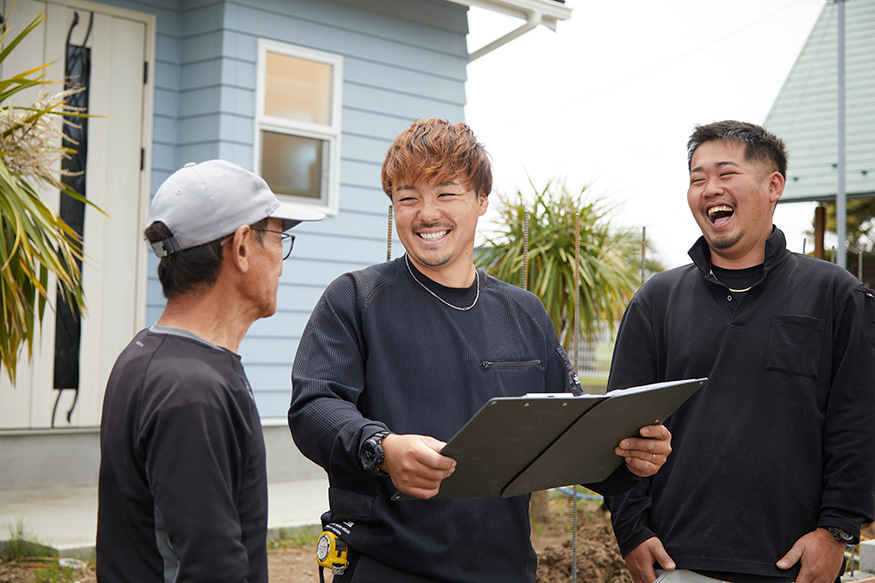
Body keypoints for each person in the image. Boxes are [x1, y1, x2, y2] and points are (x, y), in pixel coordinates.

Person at [287, 118, 673, 583]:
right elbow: (314, 406)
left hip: (505, 569)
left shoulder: (524, 312)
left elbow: (568, 436)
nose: (427, 213)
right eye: (408, 198)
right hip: (388, 567)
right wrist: (381, 447)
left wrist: (629, 457)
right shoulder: (356, 298)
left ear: (481, 199)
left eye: (446, 193)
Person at [604, 120, 875, 583]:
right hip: (676, 560)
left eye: (725, 174)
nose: (709, 189)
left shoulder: (833, 294)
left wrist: (836, 532)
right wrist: (630, 531)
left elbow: (860, 421)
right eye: (696, 178)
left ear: (773, 186)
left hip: (794, 562)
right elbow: (618, 427)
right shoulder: (658, 300)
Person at [96, 160, 325, 582]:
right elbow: (211, 565)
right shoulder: (191, 391)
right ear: (241, 247)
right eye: (279, 237)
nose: (280, 259)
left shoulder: (146, 356)